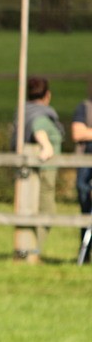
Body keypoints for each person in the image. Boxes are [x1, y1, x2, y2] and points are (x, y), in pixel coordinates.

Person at [12, 77, 63, 258]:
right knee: (47, 212)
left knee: (30, 212)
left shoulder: (23, 111)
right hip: (43, 174)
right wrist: (46, 146)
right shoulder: (41, 114)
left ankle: (27, 251)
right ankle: (33, 252)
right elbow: (38, 127)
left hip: (29, 173)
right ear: (47, 95)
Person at [73, 86, 92, 257]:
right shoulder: (85, 107)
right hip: (86, 168)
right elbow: (78, 133)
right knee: (86, 204)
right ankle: (84, 254)